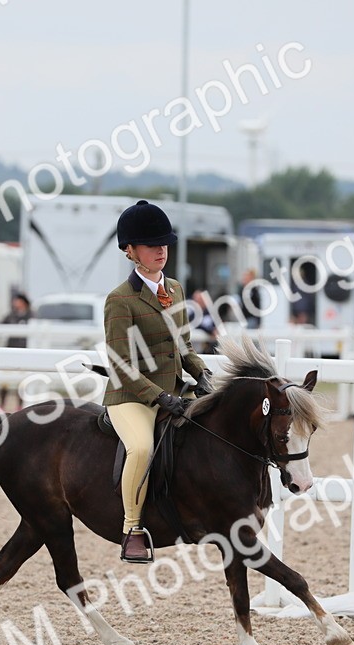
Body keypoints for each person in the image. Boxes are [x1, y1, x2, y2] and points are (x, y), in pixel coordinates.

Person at [103, 200, 211, 564]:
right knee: (141, 449)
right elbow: (121, 365)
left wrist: (203, 374)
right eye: (151, 245)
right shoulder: (120, 300)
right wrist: (160, 397)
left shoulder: (176, 289)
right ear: (130, 251)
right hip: (131, 396)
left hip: (174, 389)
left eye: (164, 243)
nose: (161, 250)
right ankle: (132, 529)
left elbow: (183, 346)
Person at [0, 293, 33, 410]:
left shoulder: (31, 316)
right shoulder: (11, 315)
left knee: (22, 382)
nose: (15, 303)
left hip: (24, 353)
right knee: (4, 381)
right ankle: (2, 405)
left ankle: (20, 406)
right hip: (10, 351)